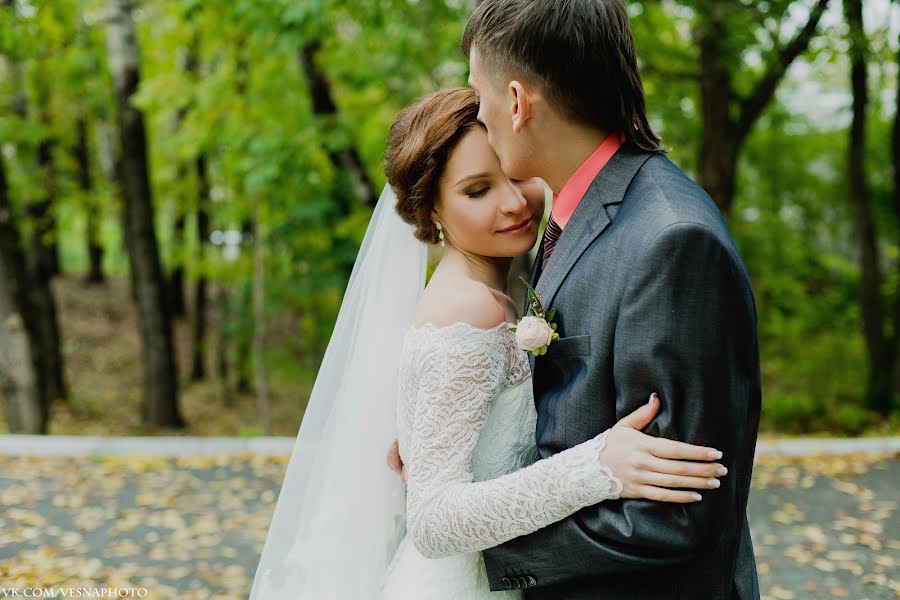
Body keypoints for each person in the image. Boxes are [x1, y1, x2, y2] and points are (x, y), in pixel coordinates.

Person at [249, 88, 730, 599]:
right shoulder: (468, 309)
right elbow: (434, 521)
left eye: (515, 174)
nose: (514, 201)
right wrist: (596, 467)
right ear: (430, 210)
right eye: (477, 191)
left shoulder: (495, 297)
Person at [448, 1, 762, 598]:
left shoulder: (671, 240)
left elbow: (674, 514)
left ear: (515, 103)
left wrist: (473, 542)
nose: (478, 113)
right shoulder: (566, 213)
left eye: (479, 93)